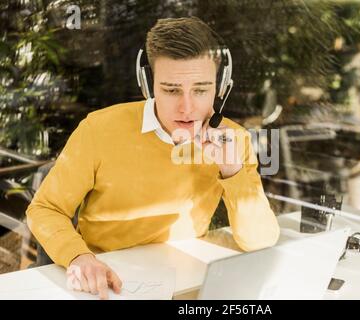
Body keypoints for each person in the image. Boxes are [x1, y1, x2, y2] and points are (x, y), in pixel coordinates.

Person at [26, 16, 280, 300]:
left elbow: (259, 241)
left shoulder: (233, 139)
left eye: (201, 90)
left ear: (220, 88)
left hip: (187, 283)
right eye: (171, 90)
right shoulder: (98, 130)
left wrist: (233, 171)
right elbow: (45, 209)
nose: (187, 107)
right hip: (109, 284)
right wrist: (78, 257)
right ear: (148, 85)